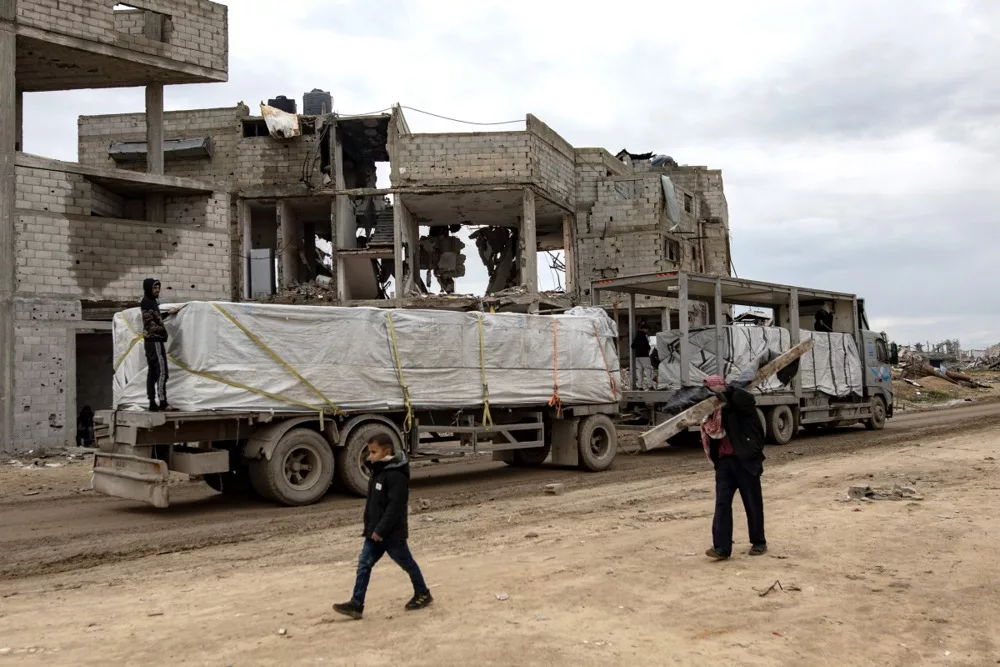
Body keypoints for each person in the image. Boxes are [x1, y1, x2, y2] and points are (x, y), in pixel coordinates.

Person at [333, 432, 433, 620]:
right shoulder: (378, 472)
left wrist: (381, 530)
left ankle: (423, 593)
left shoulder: (396, 476)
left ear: (386, 452)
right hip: (375, 533)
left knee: (407, 563)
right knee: (364, 564)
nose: (370, 456)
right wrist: (372, 529)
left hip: (391, 534)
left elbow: (395, 507)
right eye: (369, 452)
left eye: (373, 452)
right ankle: (356, 604)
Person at [700, 374, 767, 560]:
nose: (709, 392)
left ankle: (759, 542)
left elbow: (747, 399)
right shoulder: (711, 413)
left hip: (745, 460)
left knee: (752, 502)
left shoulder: (738, 401)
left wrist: (727, 392)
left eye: (712, 388)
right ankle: (721, 548)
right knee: (722, 504)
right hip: (724, 462)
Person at [141, 278, 171, 412]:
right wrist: (164, 331)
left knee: (152, 372)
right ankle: (162, 402)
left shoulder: (151, 302)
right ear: (148, 288)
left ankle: (152, 402)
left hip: (150, 342)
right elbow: (150, 325)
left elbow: (155, 319)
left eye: (158, 287)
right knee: (162, 371)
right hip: (155, 341)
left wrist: (167, 314)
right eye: (154, 288)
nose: (157, 290)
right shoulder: (147, 302)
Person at [631, 324, 653, 390]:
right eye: (647, 329)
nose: (647, 330)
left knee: (639, 371)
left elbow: (632, 346)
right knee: (648, 370)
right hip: (644, 356)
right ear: (644, 329)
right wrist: (647, 349)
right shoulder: (645, 335)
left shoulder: (636, 336)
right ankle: (650, 386)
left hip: (637, 356)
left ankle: (640, 387)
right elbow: (648, 346)